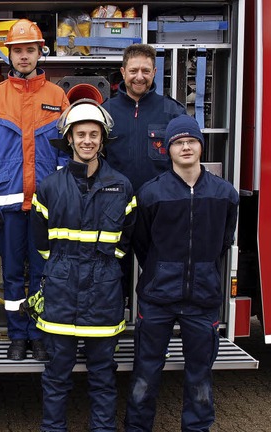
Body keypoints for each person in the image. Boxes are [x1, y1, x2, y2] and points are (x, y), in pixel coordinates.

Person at [124, 115, 239, 432]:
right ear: (167, 149)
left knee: (200, 374)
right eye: (178, 142)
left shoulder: (225, 194)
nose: (186, 146)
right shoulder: (151, 194)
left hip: (203, 300)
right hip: (158, 298)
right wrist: (163, 271)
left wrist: (201, 271)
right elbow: (142, 243)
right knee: (146, 371)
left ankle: (197, 427)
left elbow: (224, 241)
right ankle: (137, 427)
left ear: (200, 145)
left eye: (191, 141)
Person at [30, 99, 135, 431]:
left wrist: (104, 271)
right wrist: (61, 271)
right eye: (81, 134)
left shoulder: (122, 187)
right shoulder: (48, 188)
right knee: (56, 378)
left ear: (102, 140)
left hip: (103, 296)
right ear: (70, 139)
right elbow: (42, 245)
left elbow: (125, 244)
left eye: (94, 134)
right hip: (60, 294)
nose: (87, 140)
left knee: (103, 379)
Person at [0, 18, 70, 361]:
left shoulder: (57, 96)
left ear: (39, 52)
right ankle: (18, 336)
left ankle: (40, 335)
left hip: (47, 206)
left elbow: (65, 152)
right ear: (10, 56)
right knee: (13, 275)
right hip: (10, 205)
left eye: (30, 50)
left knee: (45, 275)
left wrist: (63, 197)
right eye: (18, 51)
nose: (24, 56)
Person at [102, 43, 186, 192]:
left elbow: (186, 161)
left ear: (154, 72)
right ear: (123, 72)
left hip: (160, 203)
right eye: (133, 71)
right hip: (115, 202)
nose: (139, 77)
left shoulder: (174, 112)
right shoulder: (104, 112)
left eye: (145, 71)